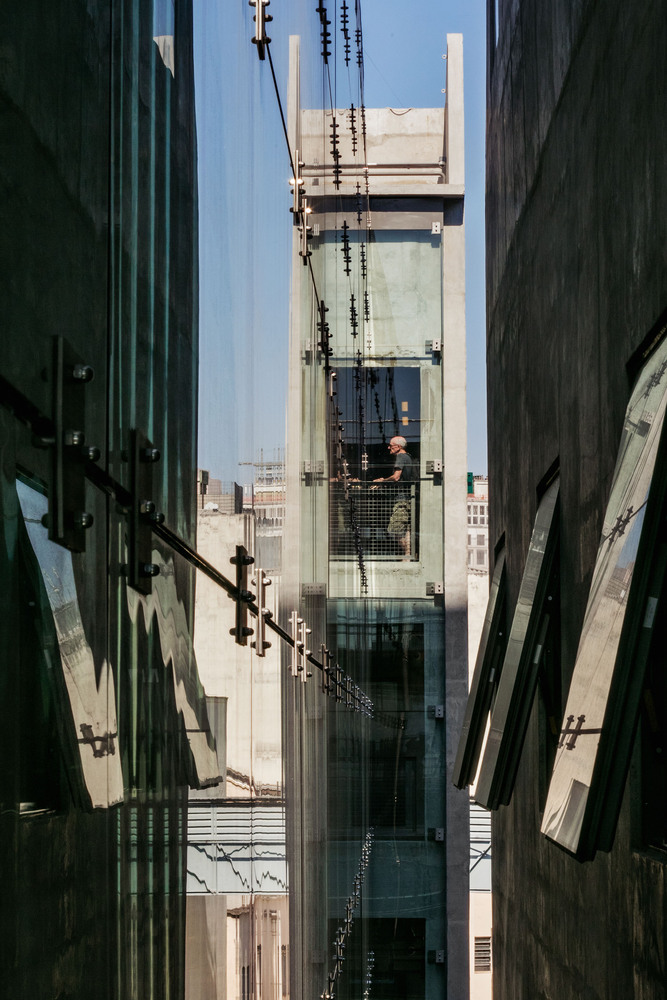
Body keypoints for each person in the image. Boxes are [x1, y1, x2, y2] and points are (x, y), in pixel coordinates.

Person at [372, 436, 417, 556]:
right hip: (408, 498)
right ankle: (408, 555)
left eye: (391, 446)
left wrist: (383, 481)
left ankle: (407, 555)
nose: (389, 448)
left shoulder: (401, 457)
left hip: (402, 499)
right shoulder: (409, 457)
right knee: (405, 530)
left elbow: (396, 477)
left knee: (394, 530)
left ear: (399, 447)